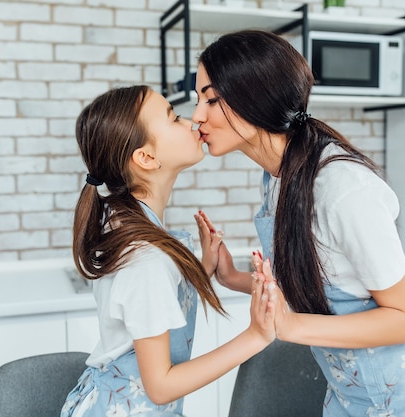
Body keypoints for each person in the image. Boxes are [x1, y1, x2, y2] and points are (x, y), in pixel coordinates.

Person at [192, 30, 405, 417]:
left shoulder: (343, 189)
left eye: (211, 98)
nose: (196, 115)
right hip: (349, 391)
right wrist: (232, 276)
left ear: (254, 96)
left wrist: (291, 327)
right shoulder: (276, 178)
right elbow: (313, 282)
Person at [61, 85, 276, 417]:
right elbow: (160, 387)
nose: (191, 120)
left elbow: (152, 305)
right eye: (174, 118)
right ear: (146, 158)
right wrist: (256, 336)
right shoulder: (145, 257)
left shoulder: (128, 221)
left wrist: (201, 269)